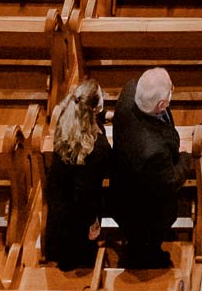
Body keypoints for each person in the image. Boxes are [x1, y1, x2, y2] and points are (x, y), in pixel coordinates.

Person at [112, 67, 186, 268]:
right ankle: (147, 258)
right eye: (171, 90)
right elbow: (170, 181)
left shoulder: (130, 92)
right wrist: (186, 160)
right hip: (144, 210)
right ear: (161, 105)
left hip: (126, 180)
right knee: (145, 247)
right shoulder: (154, 151)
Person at [43, 79, 113, 272]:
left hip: (59, 198)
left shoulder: (68, 117)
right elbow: (85, 194)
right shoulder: (96, 149)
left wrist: (106, 116)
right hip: (76, 214)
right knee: (78, 259)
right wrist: (93, 223)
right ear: (95, 108)